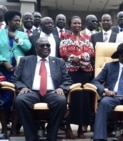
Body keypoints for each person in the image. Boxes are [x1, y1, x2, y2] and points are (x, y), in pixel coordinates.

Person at [10, 37, 73, 141]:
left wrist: (61, 88)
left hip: (52, 92)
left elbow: (68, 80)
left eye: (48, 45)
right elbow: (14, 78)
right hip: (31, 91)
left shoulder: (59, 61)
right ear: (36, 48)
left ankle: (51, 136)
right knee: (20, 101)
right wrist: (22, 87)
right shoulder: (25, 60)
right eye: (42, 45)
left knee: (61, 101)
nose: (45, 47)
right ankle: (31, 136)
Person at [59, 15, 95, 139]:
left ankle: (81, 127)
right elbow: (63, 52)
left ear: (82, 24)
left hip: (85, 73)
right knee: (71, 99)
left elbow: (91, 53)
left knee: (84, 100)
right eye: (74, 23)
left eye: (79, 23)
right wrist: (81, 59)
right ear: (70, 25)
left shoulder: (87, 37)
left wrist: (78, 58)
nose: (77, 25)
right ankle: (68, 126)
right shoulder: (65, 36)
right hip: (71, 72)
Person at [0, 10, 31, 138]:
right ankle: (4, 130)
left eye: (19, 20)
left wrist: (16, 38)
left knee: (17, 100)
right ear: (8, 21)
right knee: (3, 100)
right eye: (15, 20)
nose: (18, 22)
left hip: (19, 72)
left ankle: (14, 129)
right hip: (3, 71)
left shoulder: (22, 34)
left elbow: (28, 47)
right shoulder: (0, 33)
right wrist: (4, 61)